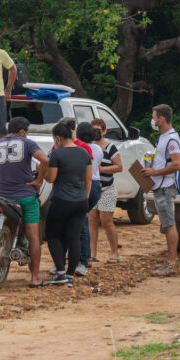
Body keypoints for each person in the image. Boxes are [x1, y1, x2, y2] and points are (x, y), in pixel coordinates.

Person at [0, 117, 49, 287]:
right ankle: (35, 278)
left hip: (0, 197)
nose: (27, 135)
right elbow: (45, 160)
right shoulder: (27, 144)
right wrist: (39, 181)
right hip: (25, 196)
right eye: (27, 132)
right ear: (22, 131)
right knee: (34, 236)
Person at [43, 121, 92, 285]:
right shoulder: (84, 152)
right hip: (81, 201)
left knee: (52, 234)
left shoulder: (56, 154)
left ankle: (60, 272)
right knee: (74, 237)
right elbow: (88, 179)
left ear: (58, 138)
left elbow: (51, 178)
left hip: (61, 200)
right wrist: (85, 197)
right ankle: (70, 275)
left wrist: (43, 171)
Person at [142, 104, 180, 276]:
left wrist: (154, 172)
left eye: (154, 117)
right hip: (160, 186)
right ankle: (170, 261)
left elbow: (177, 164)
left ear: (162, 119)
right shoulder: (163, 138)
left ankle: (171, 264)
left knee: (169, 225)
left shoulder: (172, 139)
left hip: (166, 187)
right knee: (167, 225)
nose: (153, 120)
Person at [89, 117, 123, 263]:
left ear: (104, 131)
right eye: (94, 130)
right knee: (92, 220)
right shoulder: (89, 146)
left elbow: (119, 166)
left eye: (98, 130)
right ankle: (92, 253)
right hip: (92, 188)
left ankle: (115, 252)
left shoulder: (110, 147)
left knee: (106, 221)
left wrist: (102, 169)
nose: (96, 132)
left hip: (107, 188)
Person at [75, 122, 104, 275]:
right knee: (84, 218)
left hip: (84, 184)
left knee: (82, 220)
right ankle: (86, 256)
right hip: (96, 185)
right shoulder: (98, 149)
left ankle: (84, 257)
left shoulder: (79, 148)